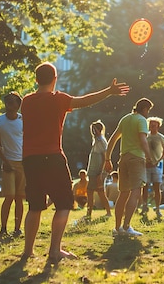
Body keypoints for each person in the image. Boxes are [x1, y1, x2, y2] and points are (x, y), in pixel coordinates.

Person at [20, 62, 129, 263]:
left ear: (36, 80)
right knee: (63, 204)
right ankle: (54, 250)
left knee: (34, 206)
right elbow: (85, 101)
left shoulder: (26, 102)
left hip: (30, 159)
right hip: (52, 157)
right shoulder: (59, 99)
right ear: (55, 78)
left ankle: (28, 252)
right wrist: (109, 91)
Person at [104, 98, 153, 237]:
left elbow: (113, 139)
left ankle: (117, 228)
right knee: (136, 191)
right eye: (148, 111)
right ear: (144, 109)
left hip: (123, 158)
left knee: (123, 193)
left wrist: (107, 159)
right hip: (136, 158)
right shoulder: (141, 120)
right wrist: (149, 157)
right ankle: (127, 227)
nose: (148, 114)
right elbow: (143, 141)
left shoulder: (125, 119)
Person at [0, 91, 25, 237]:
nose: (9, 105)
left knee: (19, 197)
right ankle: (3, 228)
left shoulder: (24, 120)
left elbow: (29, 140)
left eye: (12, 102)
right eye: (7, 102)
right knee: (9, 196)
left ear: (18, 105)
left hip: (23, 162)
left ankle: (17, 229)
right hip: (8, 162)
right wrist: (5, 161)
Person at [140, 116, 164, 217]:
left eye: (154, 125)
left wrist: (159, 160)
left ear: (158, 126)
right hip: (146, 165)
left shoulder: (161, 137)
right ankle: (144, 206)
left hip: (157, 165)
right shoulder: (145, 136)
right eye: (151, 125)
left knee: (157, 187)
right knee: (145, 186)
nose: (152, 127)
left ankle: (157, 209)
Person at [85, 120, 112, 217]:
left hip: (97, 171)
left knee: (98, 192)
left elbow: (105, 157)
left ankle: (92, 213)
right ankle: (90, 213)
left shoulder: (101, 140)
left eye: (94, 129)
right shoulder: (96, 140)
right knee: (96, 191)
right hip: (93, 170)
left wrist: (100, 173)